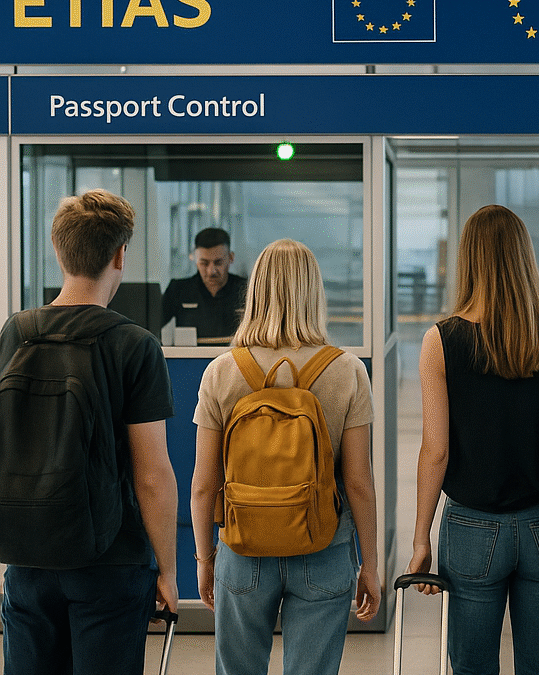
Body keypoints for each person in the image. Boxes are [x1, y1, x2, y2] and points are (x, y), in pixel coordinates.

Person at [408, 204, 539, 675]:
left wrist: (422, 538)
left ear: (469, 260)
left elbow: (436, 451)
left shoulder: (441, 340)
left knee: (472, 667)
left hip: (472, 530)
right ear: (525, 258)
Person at [0, 189, 178, 674]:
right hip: (110, 559)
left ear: (58, 251)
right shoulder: (135, 345)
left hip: (28, 558)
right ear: (121, 254)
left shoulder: (17, 332)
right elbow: (152, 476)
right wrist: (168, 570)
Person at [190, 239, 380, 675]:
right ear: (314, 293)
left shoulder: (222, 371)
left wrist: (204, 560)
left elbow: (204, 483)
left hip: (242, 550)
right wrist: (369, 564)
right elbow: (358, 482)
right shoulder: (347, 370)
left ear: (255, 291)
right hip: (324, 546)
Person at [162, 227, 246, 345]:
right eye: (204, 263)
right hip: (189, 360)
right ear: (194, 259)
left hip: (235, 360)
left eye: (218, 263)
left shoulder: (246, 290)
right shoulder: (178, 290)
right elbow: (152, 327)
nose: (211, 271)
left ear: (231, 257)